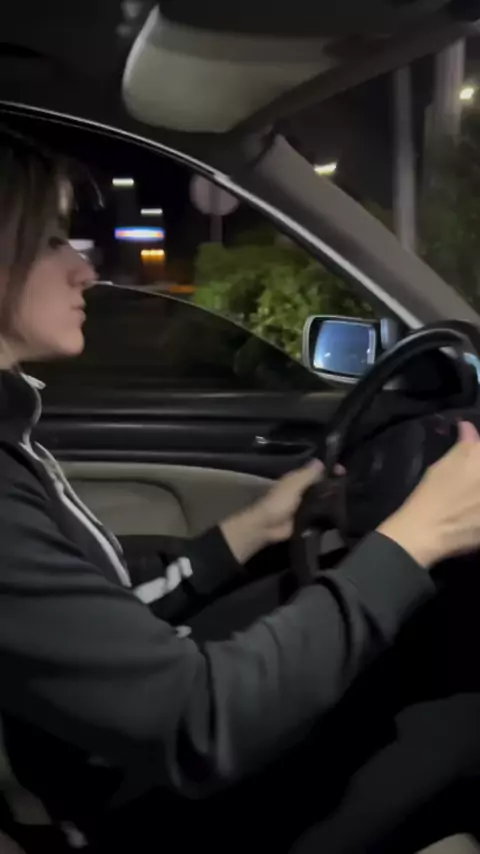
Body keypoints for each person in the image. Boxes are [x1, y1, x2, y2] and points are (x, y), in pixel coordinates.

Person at [1, 127, 480, 853]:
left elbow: (107, 603)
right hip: (126, 805)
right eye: (50, 241)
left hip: (116, 756)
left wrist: (253, 527)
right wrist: (418, 538)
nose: (85, 270)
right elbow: (199, 723)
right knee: (462, 706)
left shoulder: (12, 434)